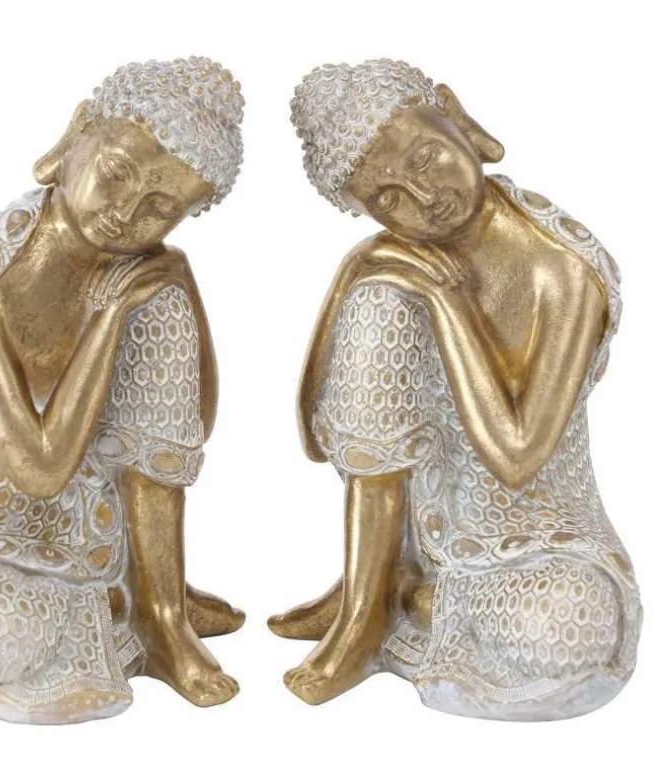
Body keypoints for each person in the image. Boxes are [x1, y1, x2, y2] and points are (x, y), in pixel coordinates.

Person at [270, 59, 641, 719]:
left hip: (538, 543)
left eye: (425, 157)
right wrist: (362, 272)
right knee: (381, 298)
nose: (424, 196)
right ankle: (365, 608)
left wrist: (449, 303)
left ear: (455, 114)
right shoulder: (397, 261)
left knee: (571, 629)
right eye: (387, 199)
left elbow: (517, 457)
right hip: (427, 518)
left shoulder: (559, 272)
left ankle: (405, 597)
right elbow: (316, 438)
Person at [0, 58, 245, 723]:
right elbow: (40, 469)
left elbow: (194, 426)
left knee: (158, 302)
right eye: (116, 173)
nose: (124, 214)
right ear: (77, 131)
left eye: (161, 209)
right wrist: (107, 318)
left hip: (93, 525)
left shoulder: (138, 278)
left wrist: (180, 280)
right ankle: (113, 602)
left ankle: (159, 610)